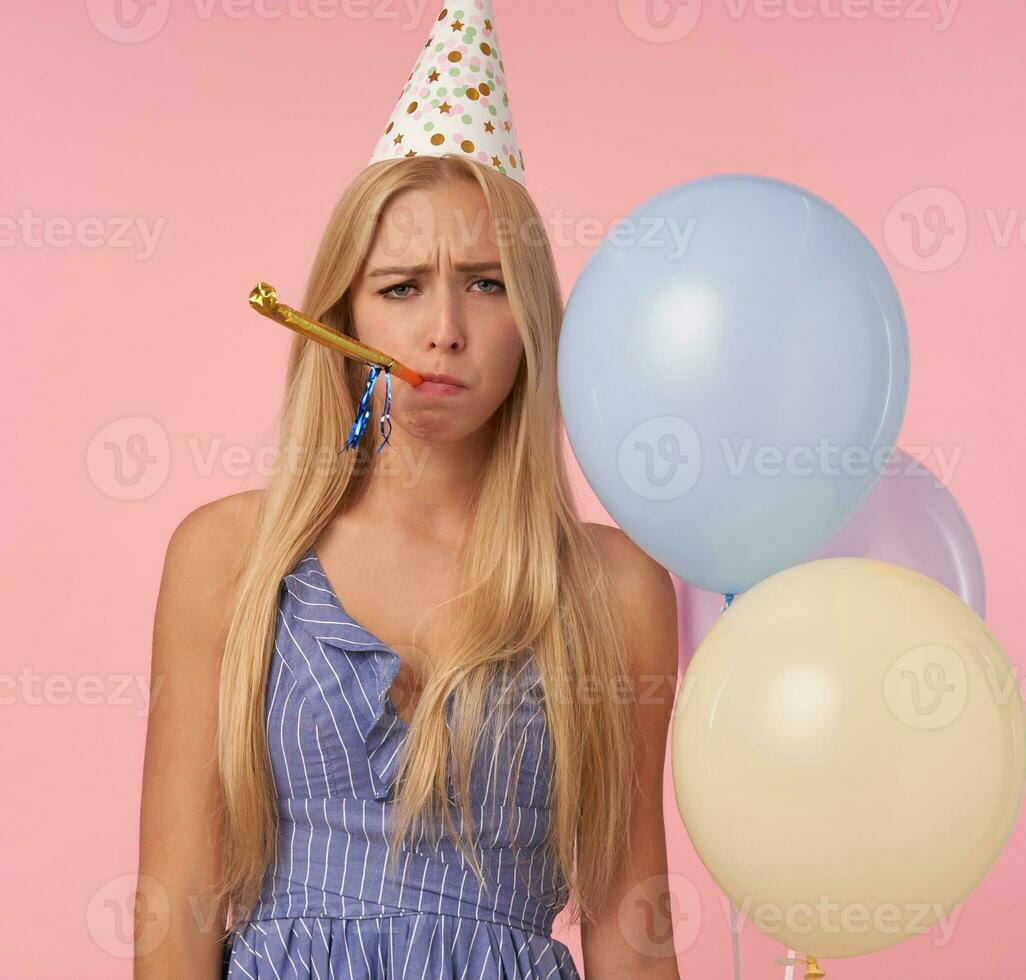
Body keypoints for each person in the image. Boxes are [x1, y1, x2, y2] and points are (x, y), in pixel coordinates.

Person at [136, 4, 682, 977]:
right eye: (400, 288)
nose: (443, 332)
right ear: (340, 316)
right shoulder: (231, 559)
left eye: (483, 282)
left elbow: (631, 921)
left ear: (534, 317)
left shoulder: (615, 585)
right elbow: (173, 909)